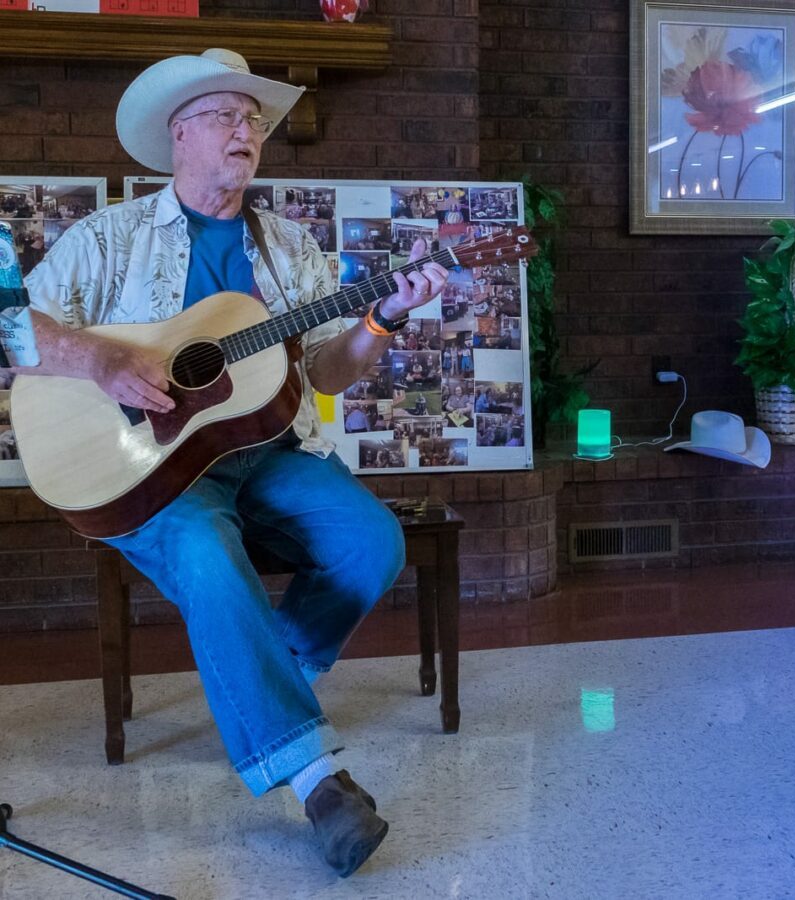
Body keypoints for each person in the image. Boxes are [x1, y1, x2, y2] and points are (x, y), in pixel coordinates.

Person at [12, 49, 448, 878]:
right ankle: (318, 781)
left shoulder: (289, 247)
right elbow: (14, 331)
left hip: (269, 453)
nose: (246, 130)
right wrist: (101, 361)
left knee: (370, 542)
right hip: (148, 470)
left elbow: (322, 372)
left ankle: (257, 686)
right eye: (225, 116)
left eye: (253, 120)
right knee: (208, 555)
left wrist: (384, 319)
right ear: (180, 136)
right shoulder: (110, 237)